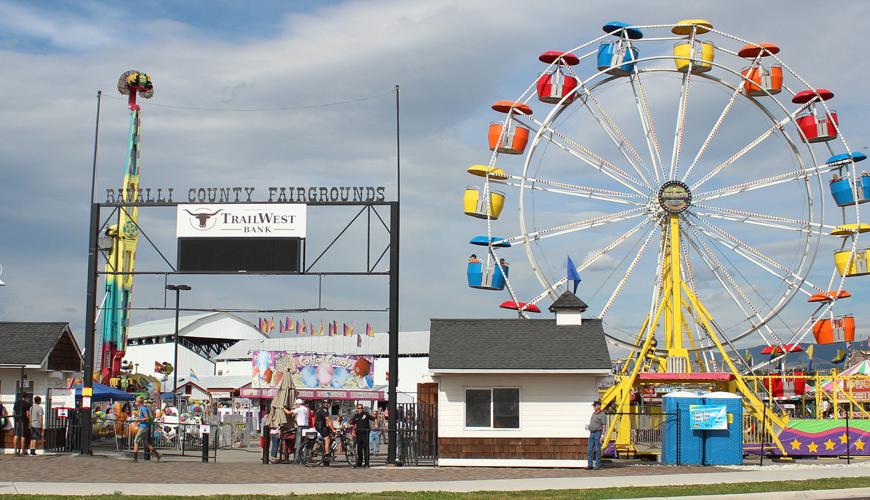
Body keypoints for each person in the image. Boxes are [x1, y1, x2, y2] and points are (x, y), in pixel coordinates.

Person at [131, 396, 160, 462]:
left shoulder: (142, 408)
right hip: (144, 426)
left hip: (143, 427)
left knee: (136, 441)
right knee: (146, 443)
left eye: (136, 401)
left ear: (138, 402)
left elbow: (147, 418)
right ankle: (157, 454)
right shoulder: (141, 408)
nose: (135, 402)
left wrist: (139, 420)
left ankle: (135, 458)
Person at [349, 404, 375, 468]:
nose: (360, 409)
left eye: (361, 408)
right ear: (357, 409)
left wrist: (376, 417)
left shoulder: (366, 414)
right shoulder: (355, 416)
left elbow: (373, 418)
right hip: (358, 434)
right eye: (359, 408)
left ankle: (367, 463)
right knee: (359, 449)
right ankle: (359, 463)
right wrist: (349, 426)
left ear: (363, 408)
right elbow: (352, 423)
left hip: (365, 434)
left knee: (366, 449)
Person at [290, 399, 310, 464]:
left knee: (298, 444)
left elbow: (288, 412)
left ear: (298, 404)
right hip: (306, 427)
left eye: (296, 404)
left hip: (301, 427)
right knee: (305, 444)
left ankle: (297, 460)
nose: (296, 406)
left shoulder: (299, 409)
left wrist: (283, 408)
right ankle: (304, 459)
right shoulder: (306, 409)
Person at [586, 400, 605, 470]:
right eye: (593, 406)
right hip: (592, 433)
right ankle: (590, 465)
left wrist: (602, 435)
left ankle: (597, 465)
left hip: (598, 433)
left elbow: (604, 425)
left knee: (597, 449)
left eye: (594, 406)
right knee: (589, 449)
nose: (593, 407)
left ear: (598, 406)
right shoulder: (593, 413)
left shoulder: (602, 414)